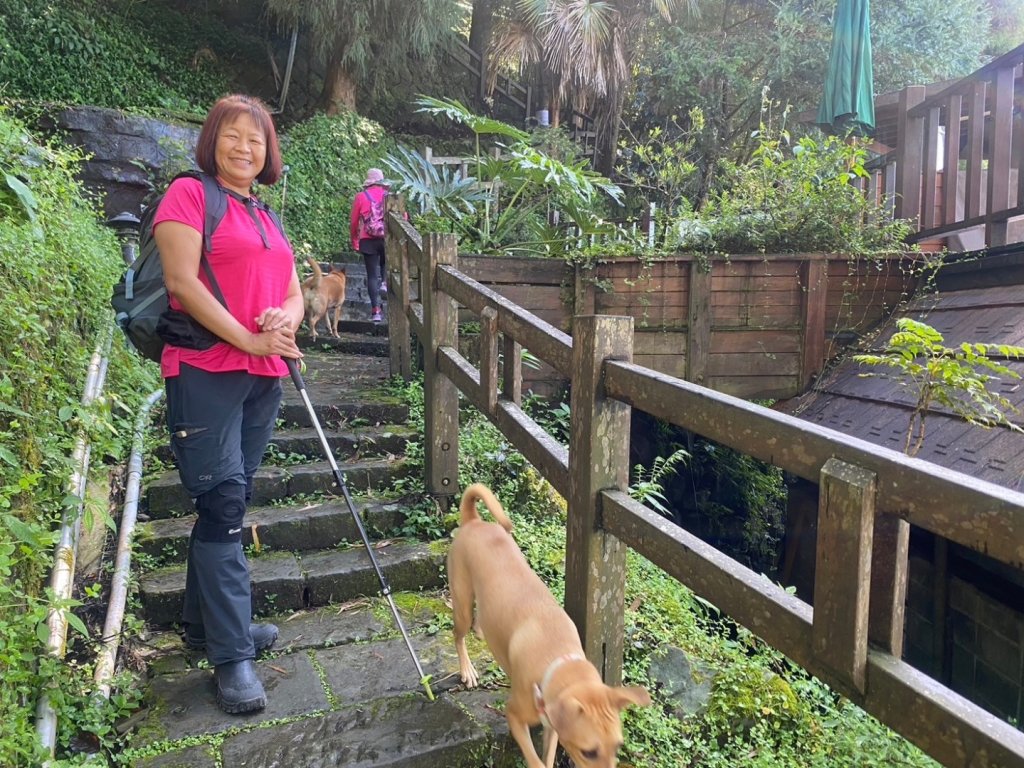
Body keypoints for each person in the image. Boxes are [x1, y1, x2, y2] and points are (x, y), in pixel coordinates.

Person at [153, 93, 304, 715]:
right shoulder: (189, 195)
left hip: (261, 376)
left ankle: (206, 627)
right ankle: (232, 656)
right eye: (234, 136)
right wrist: (244, 335)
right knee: (222, 502)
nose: (246, 148)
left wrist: (282, 319)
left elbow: (293, 290)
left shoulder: (265, 215)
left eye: (258, 140)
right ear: (213, 138)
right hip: (205, 370)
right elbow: (181, 281)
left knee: (231, 496)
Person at [350, 168, 389, 323]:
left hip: (367, 239)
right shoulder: (388, 196)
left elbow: (354, 222)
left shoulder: (361, 197)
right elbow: (403, 217)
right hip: (386, 237)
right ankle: (385, 283)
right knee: (385, 263)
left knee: (372, 275)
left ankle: (376, 312)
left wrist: (354, 239)